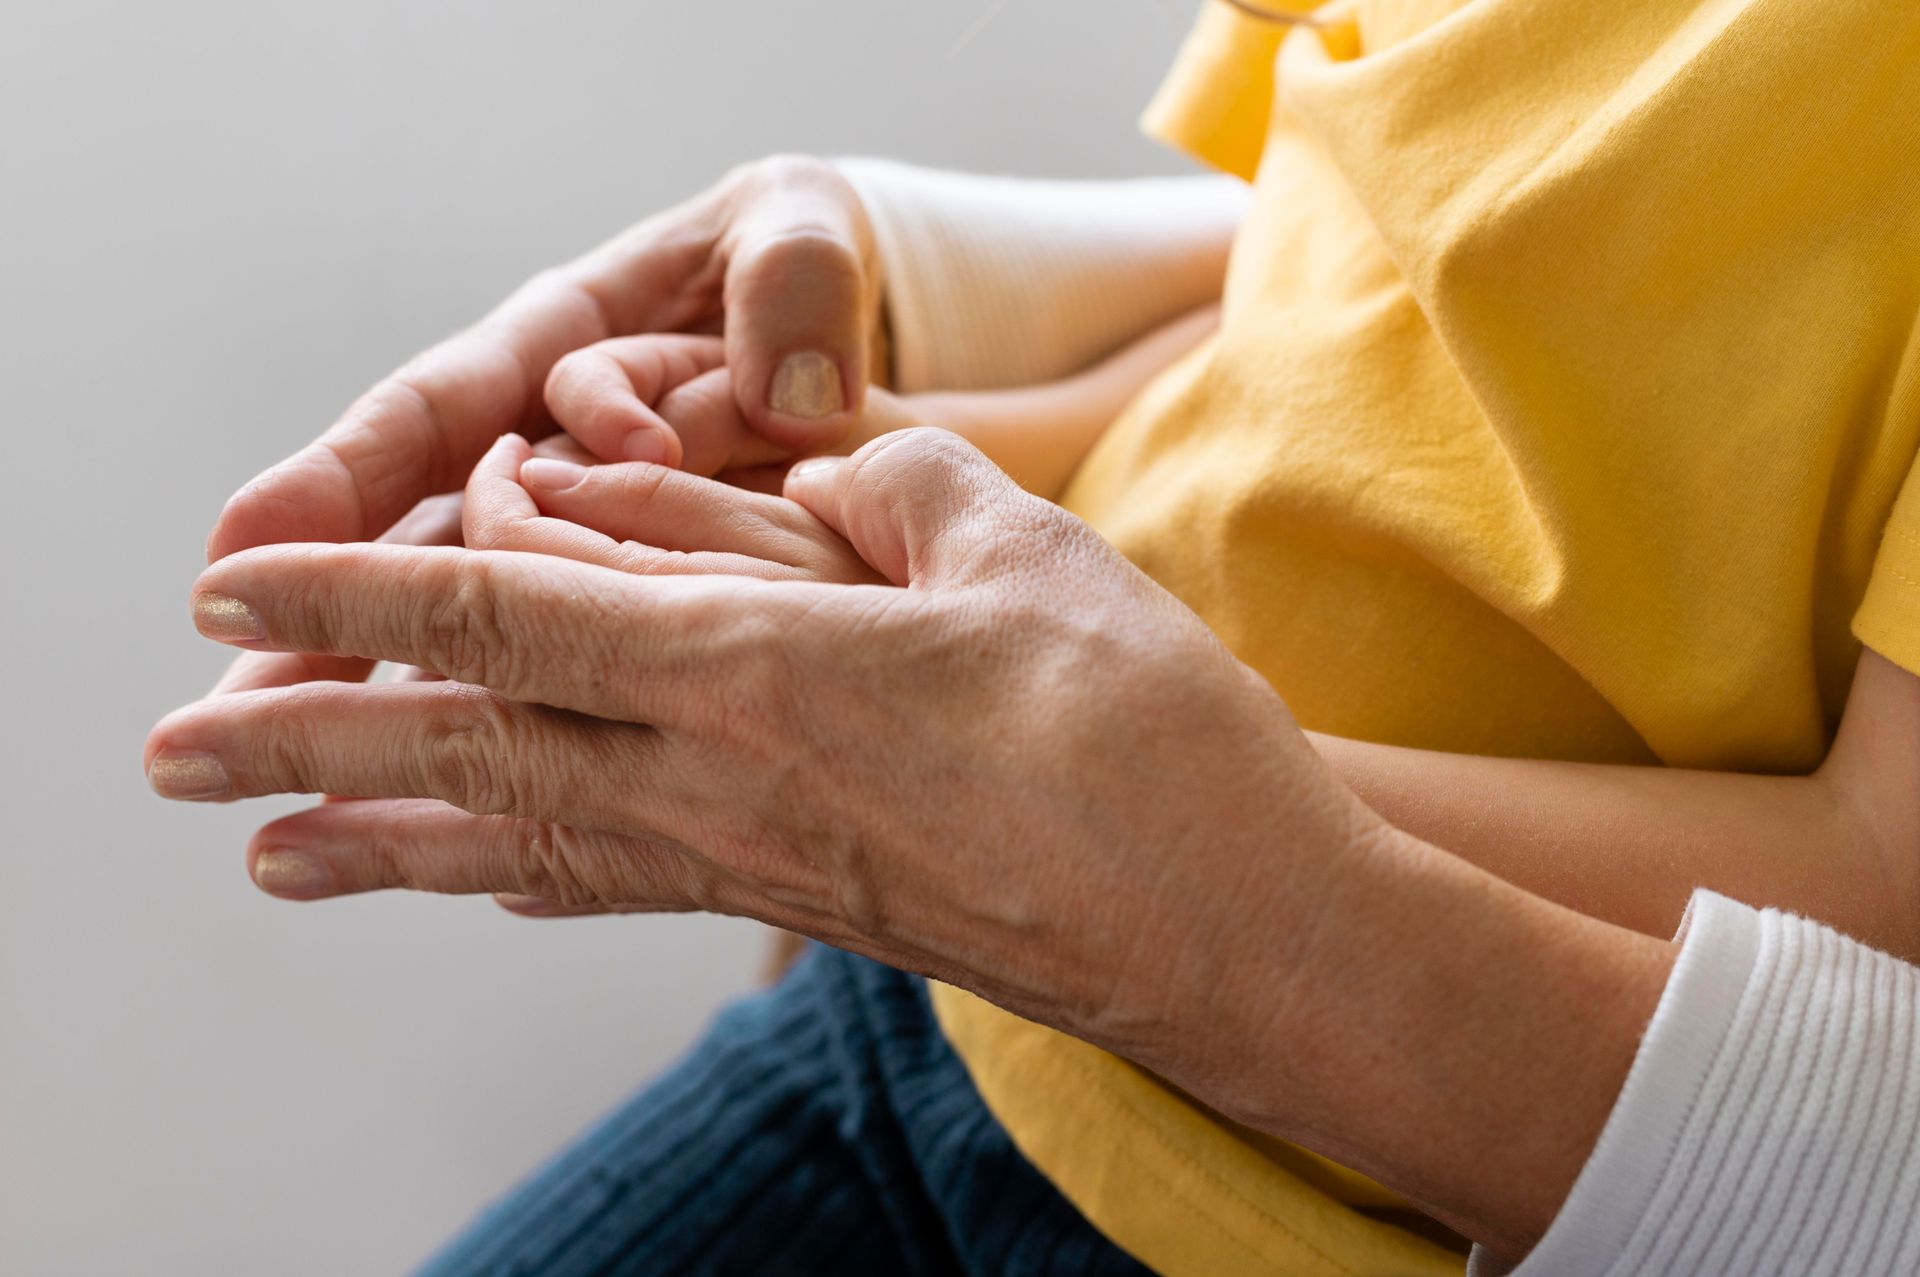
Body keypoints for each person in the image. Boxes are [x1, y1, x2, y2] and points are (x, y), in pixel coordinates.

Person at [143, 0, 1920, 1271]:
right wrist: (866, 460)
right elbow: (1323, 299)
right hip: (939, 1016)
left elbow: (1886, 893)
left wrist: (1029, 769)